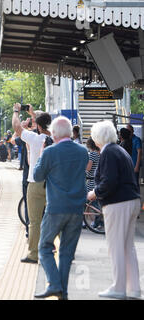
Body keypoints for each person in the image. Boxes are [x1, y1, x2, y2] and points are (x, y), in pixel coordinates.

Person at [33, 116, 89, 300]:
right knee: (66, 252)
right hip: (77, 209)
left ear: (54, 133)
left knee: (44, 247)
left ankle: (54, 284)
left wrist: (41, 155)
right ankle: (62, 293)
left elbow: (38, 176)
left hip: (56, 208)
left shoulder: (50, 152)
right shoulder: (82, 152)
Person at [88, 121, 141, 300]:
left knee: (116, 246)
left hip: (118, 204)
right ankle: (133, 289)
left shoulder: (108, 152)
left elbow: (109, 181)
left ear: (97, 138)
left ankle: (118, 287)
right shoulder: (120, 150)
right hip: (131, 200)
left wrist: (94, 193)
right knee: (127, 247)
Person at [12, 103, 52, 264]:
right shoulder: (59, 138)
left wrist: (16, 111)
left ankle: (34, 254)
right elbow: (46, 125)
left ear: (38, 126)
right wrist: (35, 114)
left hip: (35, 184)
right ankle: (61, 250)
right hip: (54, 185)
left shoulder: (35, 139)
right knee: (55, 217)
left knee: (34, 221)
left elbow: (16, 127)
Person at [85, 137, 102, 229]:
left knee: (90, 201)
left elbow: (88, 168)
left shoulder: (92, 154)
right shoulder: (99, 154)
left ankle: (96, 222)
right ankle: (93, 221)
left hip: (91, 180)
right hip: (96, 180)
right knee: (93, 202)